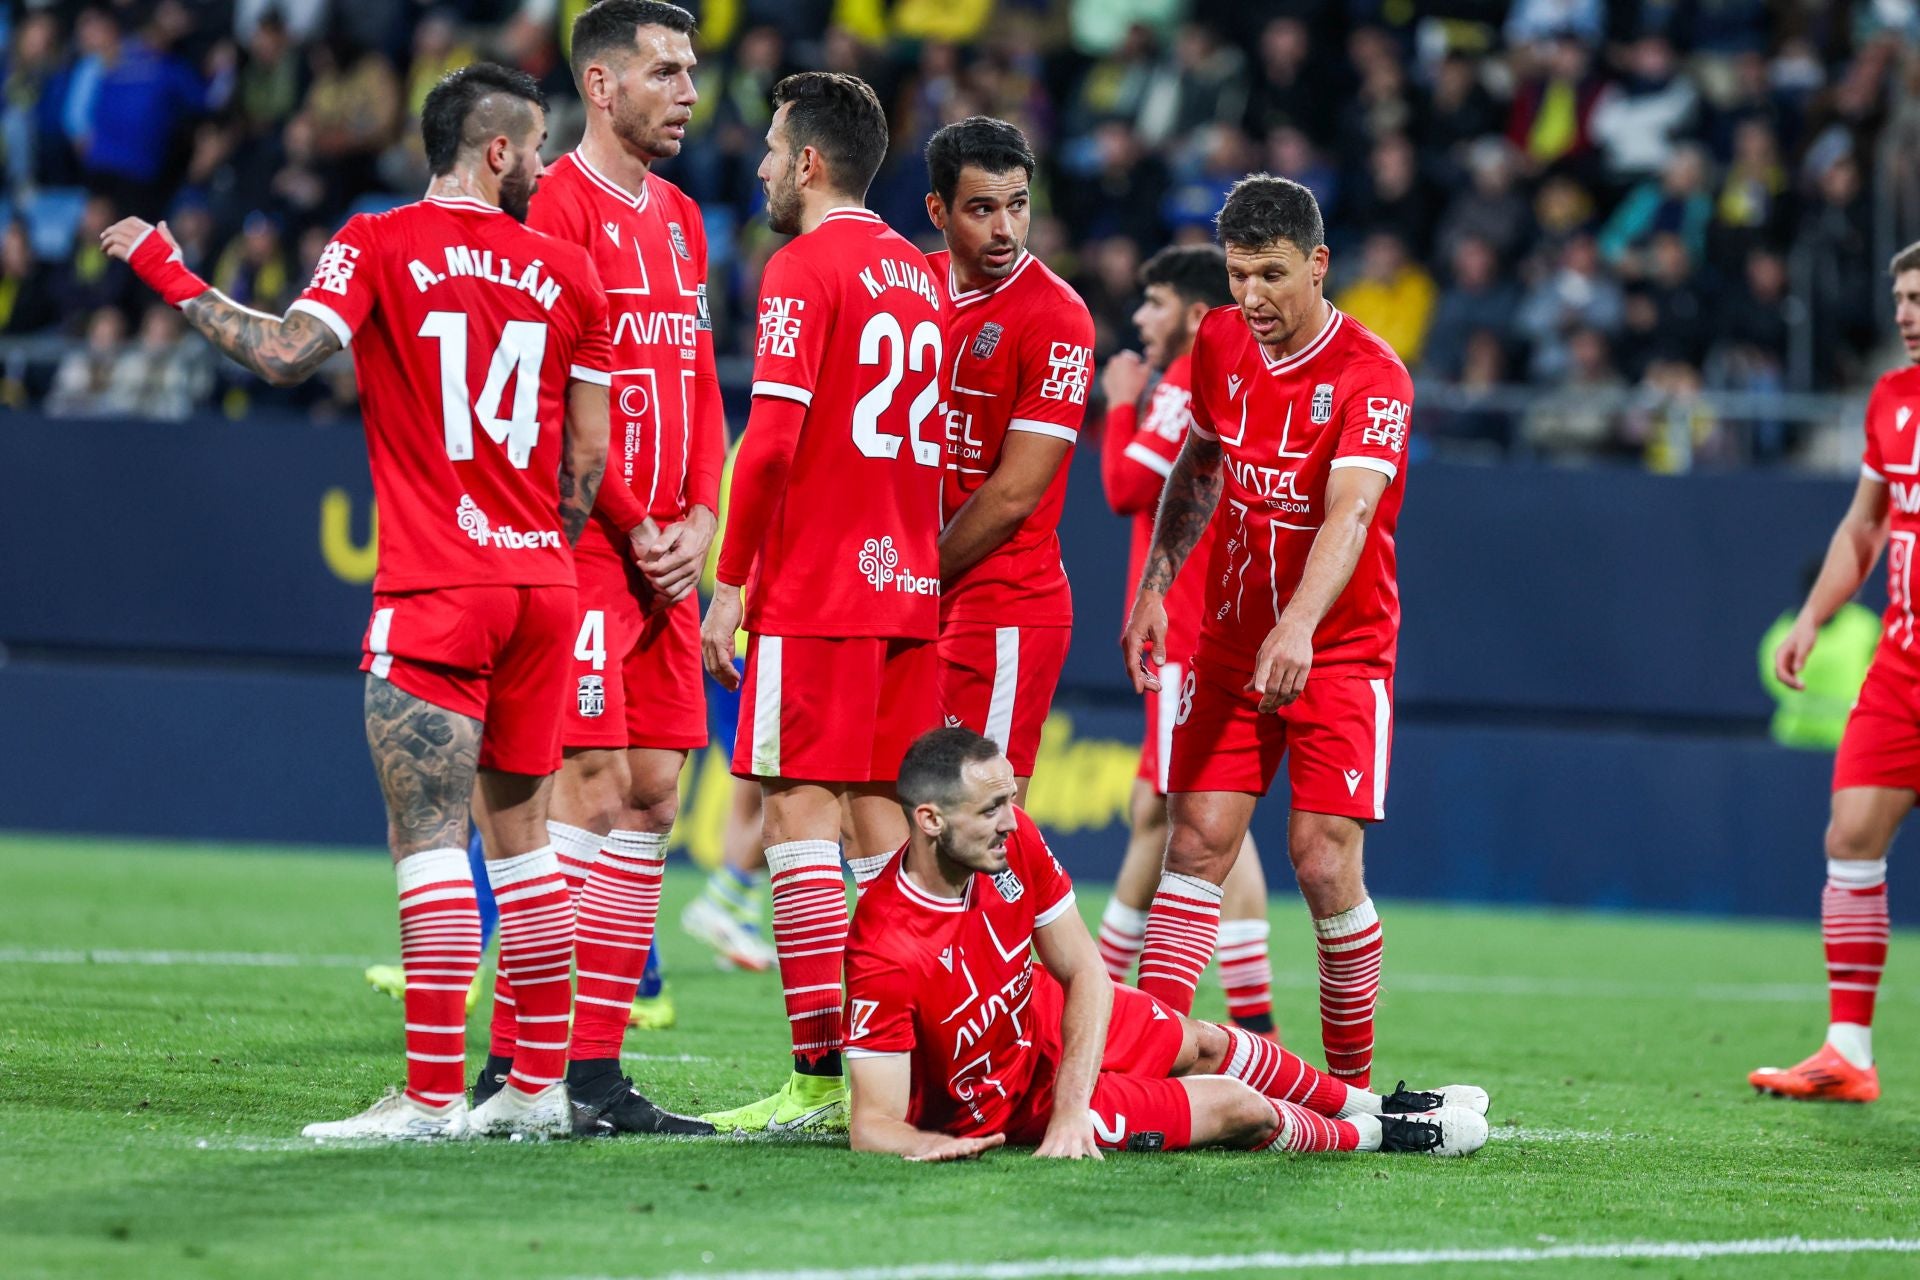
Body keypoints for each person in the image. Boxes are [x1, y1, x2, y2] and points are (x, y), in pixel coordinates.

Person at [107, 63, 613, 1139]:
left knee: (428, 836)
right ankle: (537, 1089)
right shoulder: (573, 274)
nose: (540, 166)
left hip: (439, 585)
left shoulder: (379, 241)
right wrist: (535, 546)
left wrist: (165, 268)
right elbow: (588, 462)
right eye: (532, 148)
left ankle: (432, 1099)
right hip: (543, 586)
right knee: (525, 840)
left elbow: (286, 353)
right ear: (493, 150)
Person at [471, 0, 718, 1139]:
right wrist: (641, 524)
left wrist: (704, 518)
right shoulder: (551, 208)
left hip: (671, 556)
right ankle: (519, 1066)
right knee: (586, 788)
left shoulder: (681, 217)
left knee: (655, 799)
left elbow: (702, 382)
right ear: (602, 84)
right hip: (583, 547)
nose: (689, 91)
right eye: (666, 71)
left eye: (693, 70)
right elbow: (569, 411)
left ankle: (593, 1075)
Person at [844, 727, 1488, 1160]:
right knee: (1242, 1108)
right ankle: (1383, 1135)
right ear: (929, 820)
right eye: (990, 810)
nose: (1011, 821)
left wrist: (1074, 1099)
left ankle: (1382, 1103)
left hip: (1044, 1025)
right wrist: (934, 1143)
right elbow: (871, 1124)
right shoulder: (884, 948)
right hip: (1012, 1104)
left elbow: (1087, 973)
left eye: (1010, 801)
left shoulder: (1015, 847)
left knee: (1204, 1040)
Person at [1121, 175, 1413, 1088]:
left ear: (1319, 266)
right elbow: (1199, 462)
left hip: (1341, 651)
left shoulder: (1375, 374)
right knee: (1194, 840)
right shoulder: (1217, 341)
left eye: (1273, 275)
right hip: (1229, 647)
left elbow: (1352, 514)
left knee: (1322, 862)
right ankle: (1159, 1070)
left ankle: (1352, 1092)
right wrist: (1156, 587)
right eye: (1240, 275)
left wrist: (1297, 628)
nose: (1252, 298)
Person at [697, 71, 944, 1132]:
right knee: (888, 822)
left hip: (822, 584)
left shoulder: (803, 268)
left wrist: (731, 582)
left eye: (769, 146)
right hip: (906, 586)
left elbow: (773, 445)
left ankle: (817, 1075)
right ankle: (919, 1055)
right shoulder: (919, 277)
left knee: (797, 809)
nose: (757, 165)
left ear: (808, 161)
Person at [1748, 243, 1920, 1104]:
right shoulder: (1891, 401)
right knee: (1850, 838)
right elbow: (1864, 527)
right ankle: (1847, 1051)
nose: (1907, 314)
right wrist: (1813, 618)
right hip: (1900, 668)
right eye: (1900, 297)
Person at [1095, 244, 1275, 1035]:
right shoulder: (1235, 381)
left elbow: (1125, 487)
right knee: (1152, 810)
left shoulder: (1181, 383)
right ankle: (1096, 993)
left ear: (1197, 315)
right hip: (1203, 625)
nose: (1141, 318)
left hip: (1188, 633)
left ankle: (1255, 1025)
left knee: (1204, 820)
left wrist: (1122, 403)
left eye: (1155, 303)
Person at [922, 116, 1095, 805]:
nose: (1005, 230)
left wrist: (916, 578)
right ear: (937, 210)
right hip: (919, 590)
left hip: (999, 603)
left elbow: (1014, 493)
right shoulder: (912, 288)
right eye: (982, 209)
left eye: (1018, 206)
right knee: (905, 817)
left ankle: (1032, 919)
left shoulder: (1056, 317)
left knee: (981, 823)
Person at [1757, 563, 1879, 751]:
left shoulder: (1865, 628)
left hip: (1851, 743)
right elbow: (1775, 683)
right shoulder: (1783, 634)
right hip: (1795, 741)